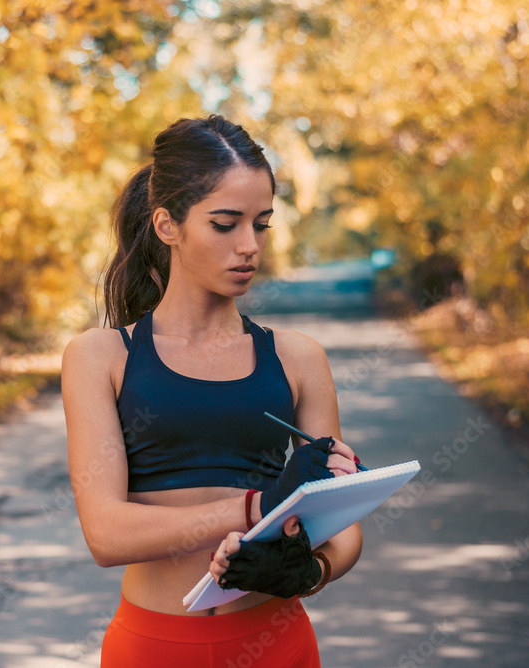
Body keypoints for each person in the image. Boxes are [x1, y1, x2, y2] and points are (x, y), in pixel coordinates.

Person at [61, 114, 363, 667]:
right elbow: (105, 534)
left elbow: (342, 529)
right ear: (167, 225)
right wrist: (258, 507)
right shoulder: (102, 358)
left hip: (277, 643)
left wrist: (309, 571)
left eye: (261, 224)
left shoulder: (298, 358)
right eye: (225, 224)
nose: (249, 246)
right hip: (152, 649)